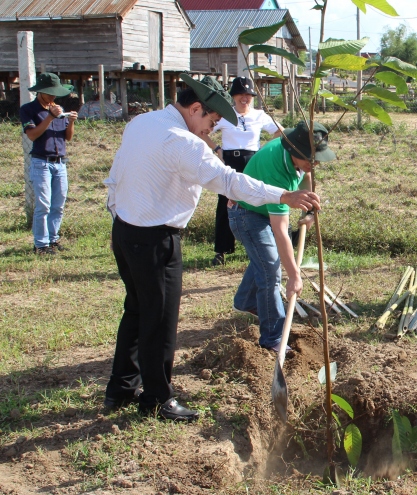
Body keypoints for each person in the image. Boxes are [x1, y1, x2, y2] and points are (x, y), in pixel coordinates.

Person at [103, 74, 321, 422]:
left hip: (125, 230)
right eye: (211, 122)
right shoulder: (184, 143)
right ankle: (157, 399)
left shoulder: (142, 122)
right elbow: (229, 182)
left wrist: (115, 212)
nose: (210, 131)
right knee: (159, 320)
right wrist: (281, 195)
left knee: (137, 311)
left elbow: (115, 174)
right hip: (155, 240)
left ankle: (121, 389)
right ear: (194, 109)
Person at [229, 121, 333, 354]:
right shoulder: (276, 171)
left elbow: (305, 177)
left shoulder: (294, 153)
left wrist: (308, 209)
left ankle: (246, 301)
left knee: (265, 260)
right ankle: (273, 338)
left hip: (264, 210)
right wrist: (294, 277)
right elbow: (280, 231)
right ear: (296, 153)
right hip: (247, 214)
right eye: (311, 160)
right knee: (270, 271)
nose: (314, 165)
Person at [206, 77, 284, 266]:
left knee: (256, 201)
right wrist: (217, 150)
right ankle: (222, 250)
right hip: (230, 161)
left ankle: (259, 246)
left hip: (253, 161)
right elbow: (203, 132)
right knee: (226, 202)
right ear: (233, 96)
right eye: (241, 94)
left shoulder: (259, 115)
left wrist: (264, 150)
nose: (245, 98)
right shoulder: (225, 115)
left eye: (248, 95)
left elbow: (280, 131)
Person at [21, 73, 78, 255]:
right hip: (41, 162)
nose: (53, 97)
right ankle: (40, 244)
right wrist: (50, 118)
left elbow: (67, 137)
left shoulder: (58, 109)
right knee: (43, 205)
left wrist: (70, 122)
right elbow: (32, 135)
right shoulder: (29, 109)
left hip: (60, 162)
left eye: (55, 93)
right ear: (40, 92)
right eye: (50, 93)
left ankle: (53, 240)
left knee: (58, 204)